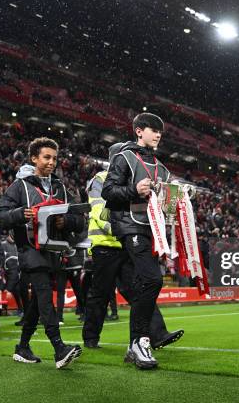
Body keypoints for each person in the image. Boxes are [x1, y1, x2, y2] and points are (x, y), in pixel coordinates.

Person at [83, 142, 183, 351]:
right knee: (100, 293)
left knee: (140, 290)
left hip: (127, 242)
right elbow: (99, 212)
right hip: (106, 244)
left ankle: (157, 334)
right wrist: (123, 227)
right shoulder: (100, 180)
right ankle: (90, 338)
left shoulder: (134, 179)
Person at [0, 137, 84, 368]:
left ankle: (22, 347)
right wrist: (19, 214)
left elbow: (79, 220)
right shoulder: (19, 186)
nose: (52, 162)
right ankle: (59, 348)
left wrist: (67, 222)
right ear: (34, 158)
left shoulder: (61, 187)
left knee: (36, 303)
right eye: (46, 157)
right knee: (44, 294)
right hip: (29, 250)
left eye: (54, 158)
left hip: (53, 250)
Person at [101, 113, 174, 369]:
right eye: (153, 130)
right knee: (152, 279)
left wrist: (180, 197)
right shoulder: (124, 157)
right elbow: (107, 191)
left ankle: (136, 342)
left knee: (145, 282)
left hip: (151, 230)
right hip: (130, 226)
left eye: (160, 132)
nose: (157, 135)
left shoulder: (160, 166)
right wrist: (135, 190)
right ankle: (140, 340)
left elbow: (169, 201)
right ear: (139, 131)